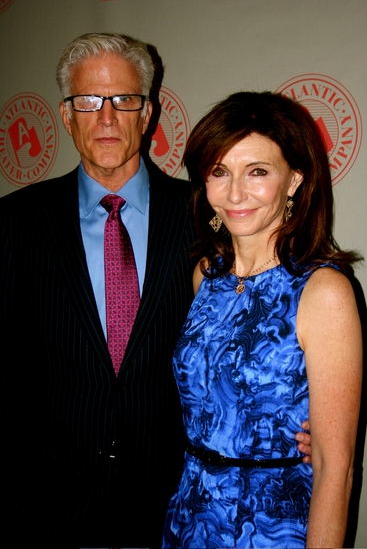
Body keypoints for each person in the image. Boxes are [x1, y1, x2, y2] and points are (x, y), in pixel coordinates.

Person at [0, 34, 311, 548]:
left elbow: (262, 325)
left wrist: (309, 422)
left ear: (147, 114)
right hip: (44, 512)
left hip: (175, 510)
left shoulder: (210, 216)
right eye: (88, 101)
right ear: (65, 115)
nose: (106, 117)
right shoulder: (14, 224)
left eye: (123, 100)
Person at [162, 91, 363, 548]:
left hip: (273, 527)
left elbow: (336, 466)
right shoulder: (206, 275)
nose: (234, 193)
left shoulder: (323, 291)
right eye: (219, 172)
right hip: (190, 518)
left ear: (293, 180)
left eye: (257, 172)